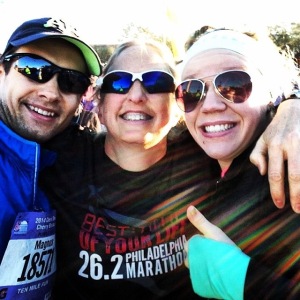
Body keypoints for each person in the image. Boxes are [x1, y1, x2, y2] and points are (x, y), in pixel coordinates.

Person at [40, 37, 300, 299]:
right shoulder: (60, 155)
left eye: (156, 82)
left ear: (178, 104)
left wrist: (292, 105)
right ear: (99, 101)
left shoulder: (211, 155)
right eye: (119, 82)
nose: (137, 96)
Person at [175, 28, 300, 299]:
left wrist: (243, 280)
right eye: (192, 90)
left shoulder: (293, 166)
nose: (209, 105)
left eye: (233, 85)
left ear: (271, 91)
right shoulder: (187, 155)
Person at [0, 16, 102, 299]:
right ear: (2, 71)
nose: (50, 92)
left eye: (71, 80)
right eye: (34, 69)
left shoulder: (63, 158)